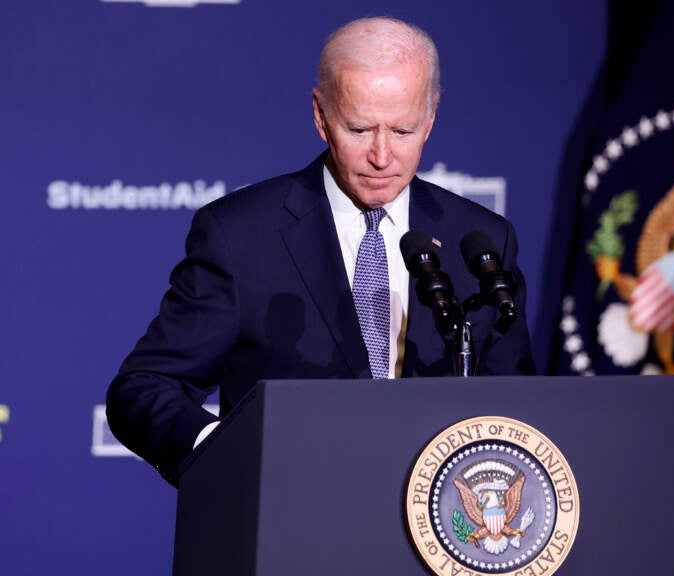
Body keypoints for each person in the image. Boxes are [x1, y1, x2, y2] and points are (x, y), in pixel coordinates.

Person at [106, 16, 535, 486]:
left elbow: (516, 410)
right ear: (321, 116)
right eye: (358, 129)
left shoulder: (479, 239)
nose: (381, 155)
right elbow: (144, 388)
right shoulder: (241, 235)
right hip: (288, 525)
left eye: (403, 131)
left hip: (440, 535)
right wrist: (222, 453)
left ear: (430, 119)